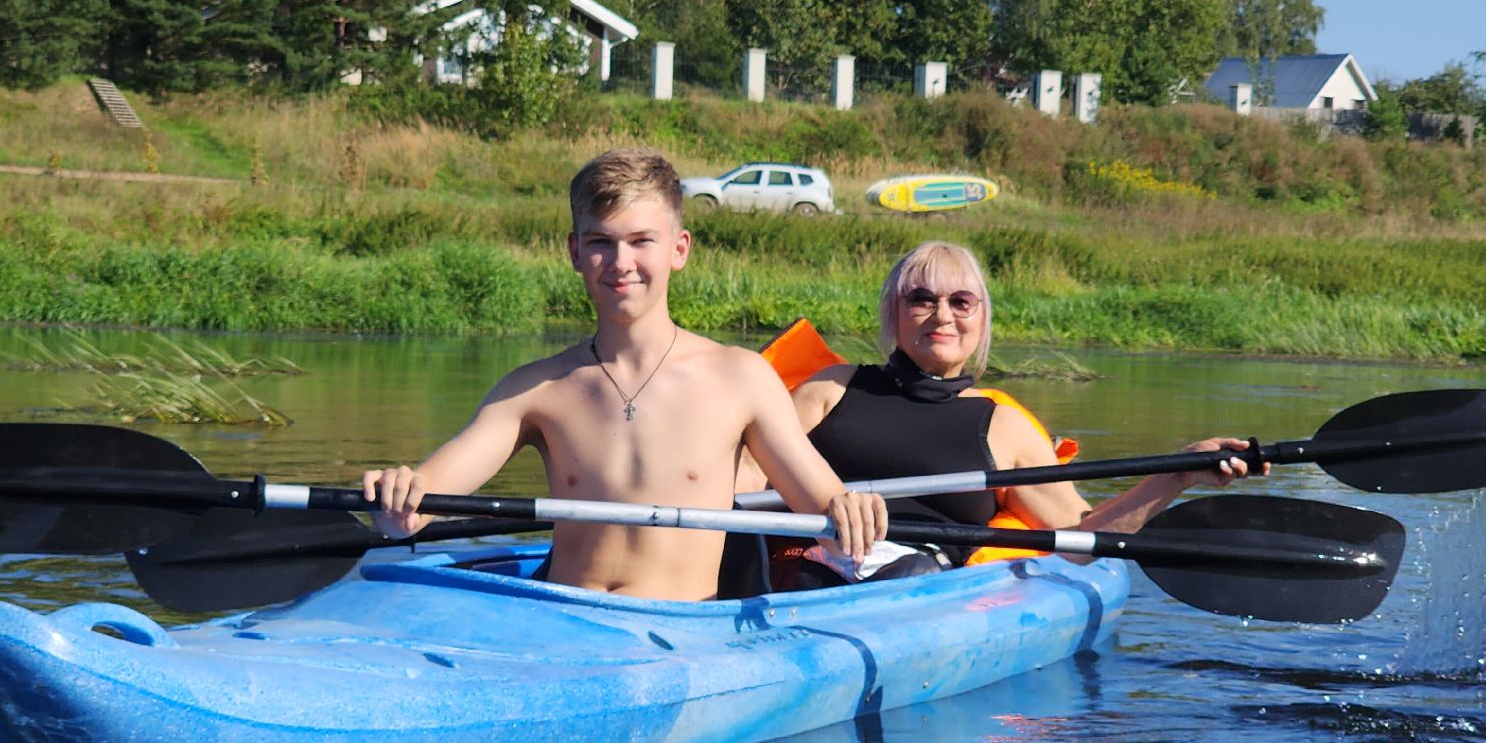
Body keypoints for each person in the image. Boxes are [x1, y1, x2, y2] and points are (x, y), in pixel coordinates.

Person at [360, 148, 887, 602]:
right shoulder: (533, 389)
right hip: (566, 622)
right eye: (600, 243)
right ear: (574, 252)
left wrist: (850, 516)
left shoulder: (742, 378)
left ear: (679, 249)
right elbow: (423, 502)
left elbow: (825, 508)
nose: (620, 262)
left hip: (680, 637)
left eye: (641, 241)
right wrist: (400, 498)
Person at [778, 240, 1265, 586]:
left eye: (960, 302)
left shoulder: (1003, 427)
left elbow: (1080, 538)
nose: (942, 315)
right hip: (806, 559)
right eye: (921, 299)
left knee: (912, 576)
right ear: (894, 311)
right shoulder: (831, 388)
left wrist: (1175, 476)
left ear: (982, 317)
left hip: (916, 584)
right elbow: (742, 479)